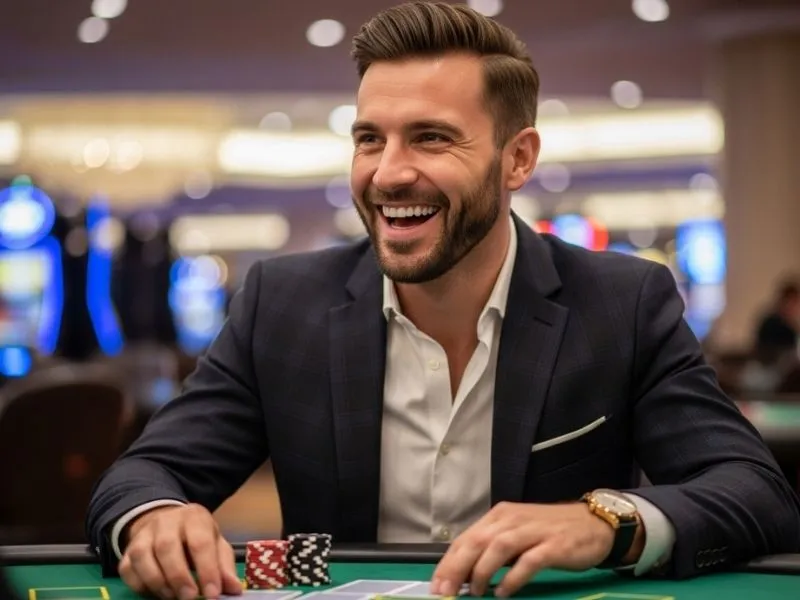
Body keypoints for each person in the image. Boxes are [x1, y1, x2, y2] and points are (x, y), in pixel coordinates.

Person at [86, 2, 800, 599]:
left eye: (431, 138)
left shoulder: (622, 301)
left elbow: (756, 493)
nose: (389, 173)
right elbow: (144, 475)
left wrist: (603, 521)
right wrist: (156, 517)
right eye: (371, 139)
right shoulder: (282, 302)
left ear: (517, 158)